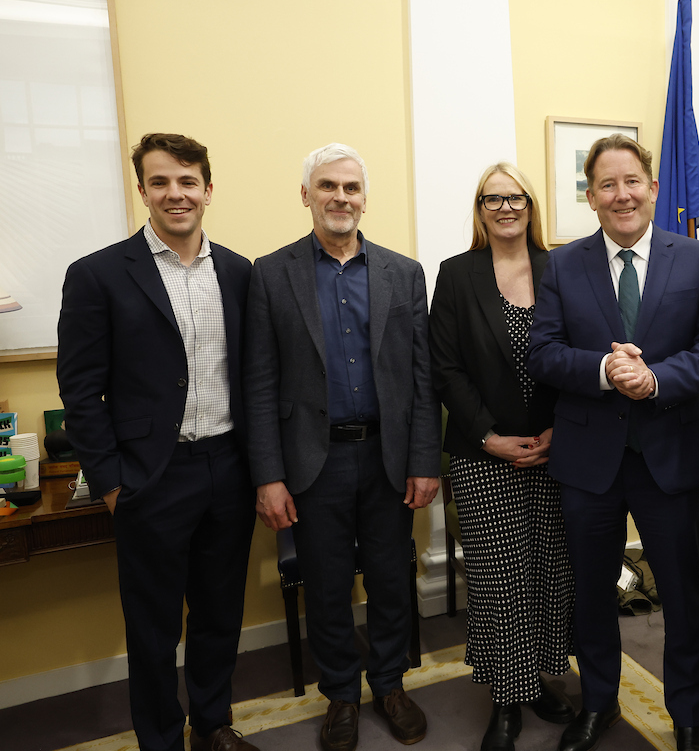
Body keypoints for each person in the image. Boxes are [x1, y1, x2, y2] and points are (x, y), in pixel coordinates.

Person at [57, 133, 259, 751]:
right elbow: (80, 392)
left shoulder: (239, 272)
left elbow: (254, 375)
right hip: (151, 478)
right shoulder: (97, 275)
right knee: (152, 628)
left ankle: (213, 724)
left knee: (220, 616)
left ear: (208, 189)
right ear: (142, 190)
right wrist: (112, 484)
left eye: (188, 181)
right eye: (161, 181)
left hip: (228, 469)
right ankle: (161, 740)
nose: (176, 194)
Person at [527, 134, 699, 751]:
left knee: (683, 596)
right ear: (590, 197)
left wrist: (655, 379)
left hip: (670, 455)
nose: (621, 195)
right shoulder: (562, 264)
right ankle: (599, 702)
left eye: (631, 181)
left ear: (653, 188)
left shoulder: (695, 258)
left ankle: (688, 717)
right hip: (589, 461)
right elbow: (543, 352)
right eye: (606, 185)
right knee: (591, 591)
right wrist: (604, 370)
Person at [245, 143, 441, 751]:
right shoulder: (270, 274)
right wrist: (268, 476)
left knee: (390, 579)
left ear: (364, 198)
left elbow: (422, 378)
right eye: (327, 186)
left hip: (387, 457)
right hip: (314, 462)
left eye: (351, 187)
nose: (340, 197)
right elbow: (259, 382)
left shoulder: (403, 273)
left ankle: (389, 685)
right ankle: (341, 695)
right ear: (306, 195)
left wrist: (424, 460)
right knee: (327, 587)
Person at [428, 162, 576, 751]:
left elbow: (579, 353)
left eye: (516, 197)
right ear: (480, 210)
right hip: (482, 454)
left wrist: (558, 431)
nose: (506, 207)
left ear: (530, 206)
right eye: (493, 199)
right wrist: (488, 436)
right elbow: (445, 367)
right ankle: (506, 699)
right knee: (500, 580)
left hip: (555, 450)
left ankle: (536, 678)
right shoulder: (456, 274)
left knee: (547, 571)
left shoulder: (561, 268)